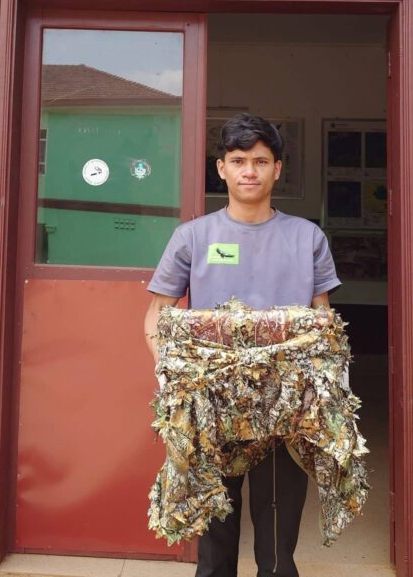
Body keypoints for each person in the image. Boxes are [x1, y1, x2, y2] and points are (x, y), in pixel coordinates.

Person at [144, 113, 341, 577]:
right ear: (222, 168)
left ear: (277, 169)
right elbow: (156, 314)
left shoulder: (307, 237)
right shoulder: (193, 237)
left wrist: (327, 383)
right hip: (212, 402)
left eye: (260, 161)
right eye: (238, 160)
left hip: (285, 404)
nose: (249, 171)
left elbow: (323, 317)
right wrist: (170, 371)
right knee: (214, 534)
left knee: (277, 536)